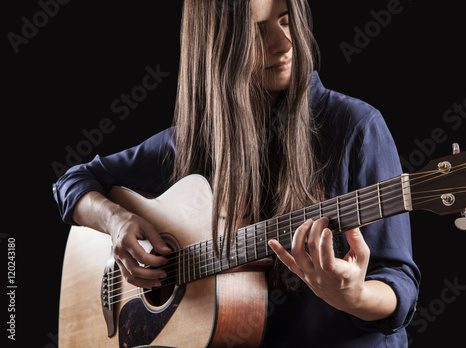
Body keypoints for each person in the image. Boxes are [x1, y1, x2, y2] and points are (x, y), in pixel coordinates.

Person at [53, 0, 420, 346]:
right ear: (216, 45)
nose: (283, 44)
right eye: (256, 32)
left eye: (286, 20)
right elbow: (72, 182)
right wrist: (116, 221)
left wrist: (354, 295)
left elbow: (398, 284)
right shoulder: (195, 141)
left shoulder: (355, 128)